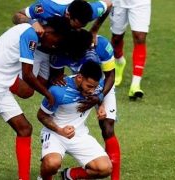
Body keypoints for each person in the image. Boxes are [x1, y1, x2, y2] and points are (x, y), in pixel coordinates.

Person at [0, 17, 71, 180]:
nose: (55, 45)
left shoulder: (33, 30)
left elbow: (24, 18)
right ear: (50, 32)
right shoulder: (30, 35)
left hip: (0, 86)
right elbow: (27, 75)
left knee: (25, 129)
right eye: (57, 40)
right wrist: (48, 94)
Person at [49, 35, 121, 180]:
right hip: (83, 85)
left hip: (104, 85)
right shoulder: (62, 52)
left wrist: (100, 100)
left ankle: (114, 177)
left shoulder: (101, 46)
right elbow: (56, 77)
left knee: (107, 127)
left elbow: (110, 76)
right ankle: (57, 155)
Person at [10, 0, 112, 97]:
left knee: (46, 85)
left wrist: (94, 30)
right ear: (68, 15)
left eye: (82, 26)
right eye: (76, 26)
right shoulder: (46, 7)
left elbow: (109, 4)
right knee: (26, 91)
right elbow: (17, 16)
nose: (78, 30)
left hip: (53, 52)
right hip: (36, 48)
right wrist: (32, 21)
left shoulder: (89, 11)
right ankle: (3, 78)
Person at [37, 61, 112, 180]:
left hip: (80, 134)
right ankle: (43, 177)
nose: (92, 91)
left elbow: (101, 91)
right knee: (52, 164)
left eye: (95, 87)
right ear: (79, 78)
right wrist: (60, 130)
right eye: (89, 86)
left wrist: (101, 106)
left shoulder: (97, 85)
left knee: (105, 168)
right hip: (55, 134)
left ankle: (69, 175)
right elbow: (41, 115)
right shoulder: (58, 91)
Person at [109, 0, 151, 100]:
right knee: (116, 38)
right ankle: (119, 61)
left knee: (140, 38)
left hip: (140, 3)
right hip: (118, 2)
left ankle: (135, 85)